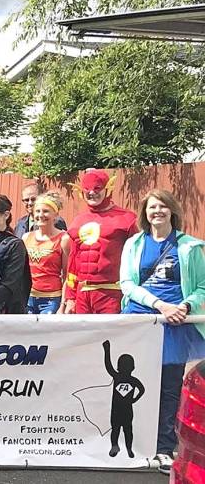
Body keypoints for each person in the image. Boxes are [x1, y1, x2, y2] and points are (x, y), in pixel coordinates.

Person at [118, 189, 205, 474]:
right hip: (141, 320)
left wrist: (184, 306)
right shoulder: (133, 243)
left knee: (169, 387)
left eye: (163, 207)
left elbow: (202, 285)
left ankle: (164, 448)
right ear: (145, 212)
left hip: (176, 322)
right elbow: (127, 284)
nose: (157, 211)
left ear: (172, 211)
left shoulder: (190, 246)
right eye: (152, 207)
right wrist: (159, 305)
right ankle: (133, 444)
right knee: (133, 385)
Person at [63, 169, 138, 315]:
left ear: (108, 188)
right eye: (87, 190)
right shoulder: (78, 221)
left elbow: (137, 259)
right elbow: (73, 262)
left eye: (97, 188)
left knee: (111, 337)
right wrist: (70, 297)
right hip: (82, 294)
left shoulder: (127, 219)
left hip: (112, 293)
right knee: (83, 337)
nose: (92, 193)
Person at [23, 192, 72, 314]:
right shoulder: (26, 237)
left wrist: (63, 304)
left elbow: (67, 274)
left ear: (55, 215)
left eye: (45, 211)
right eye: (37, 211)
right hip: (28, 298)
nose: (41, 215)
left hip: (51, 299)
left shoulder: (64, 239)